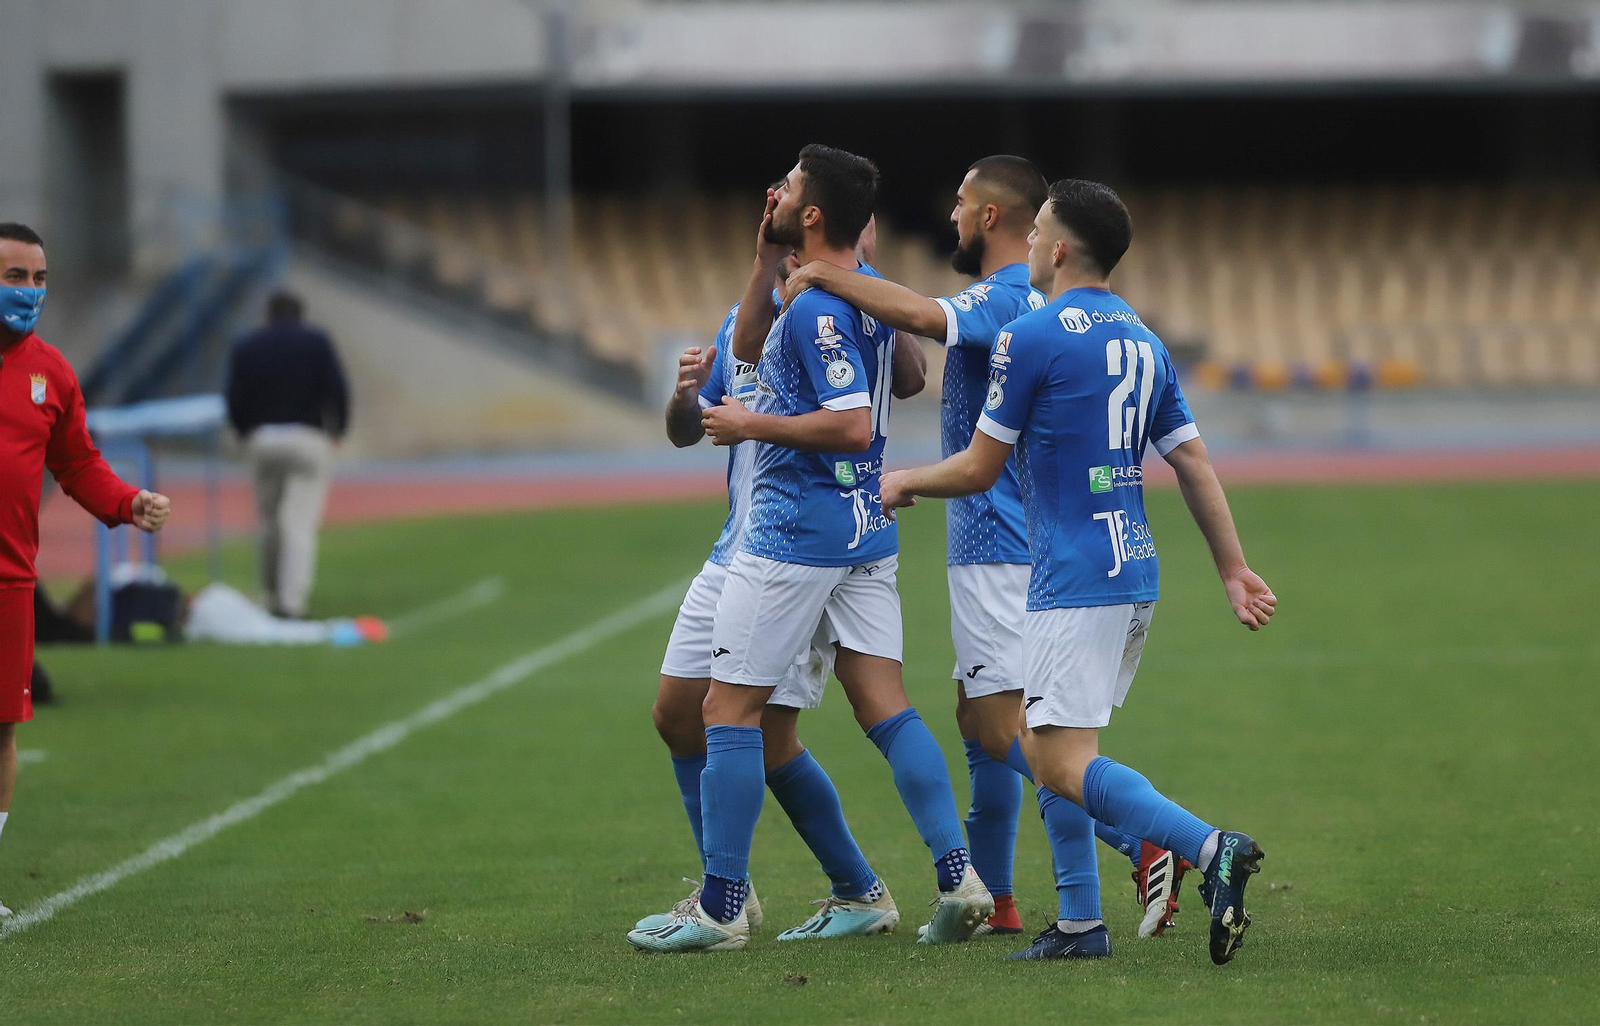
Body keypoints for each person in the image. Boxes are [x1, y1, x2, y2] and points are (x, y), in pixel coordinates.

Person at [879, 180, 1277, 964]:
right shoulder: (1142, 337)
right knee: (1053, 748)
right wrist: (1233, 569)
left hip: (1071, 575)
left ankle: (1207, 846)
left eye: (1037, 236)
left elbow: (978, 467)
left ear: (1059, 249)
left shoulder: (1034, 336)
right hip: (1132, 569)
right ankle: (1079, 924)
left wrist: (902, 480)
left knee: (1057, 761)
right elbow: (1191, 460)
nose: (1026, 245)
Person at [789, 157, 1187, 940]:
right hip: (996, 542)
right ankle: (1000, 899)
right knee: (980, 721)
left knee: (1019, 731)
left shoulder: (1006, 298)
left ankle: (1137, 847)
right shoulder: (1019, 299)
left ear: (995, 219)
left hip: (1001, 543)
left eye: (963, 204)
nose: (953, 218)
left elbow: (924, 315)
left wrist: (823, 274)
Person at [628, 145, 990, 954]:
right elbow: (719, 397)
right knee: (704, 713)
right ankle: (941, 874)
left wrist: (848, 278)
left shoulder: (822, 305)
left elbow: (871, 402)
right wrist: (696, 394)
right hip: (838, 534)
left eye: (787, 187)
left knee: (733, 715)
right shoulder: (783, 303)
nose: (774, 193)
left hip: (786, 538)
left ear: (815, 214)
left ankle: (725, 901)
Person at [0, 222, 171, 918]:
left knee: (1, 730)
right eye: (15, 276)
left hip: (9, 583)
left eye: (39, 280)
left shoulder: (53, 374)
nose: (29, 292)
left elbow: (76, 463)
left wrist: (128, 502)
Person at [224, 291, 349, 618]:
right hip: (307, 437)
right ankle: (292, 602)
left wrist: (243, 432)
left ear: (268, 313)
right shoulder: (316, 342)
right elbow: (337, 388)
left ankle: (269, 593)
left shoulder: (248, 345)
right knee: (298, 523)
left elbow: (235, 397)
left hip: (263, 439)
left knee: (269, 522)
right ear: (301, 314)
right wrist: (338, 430)